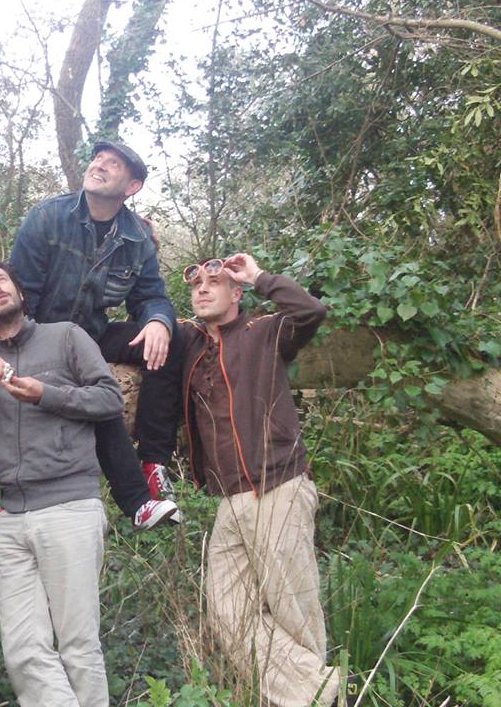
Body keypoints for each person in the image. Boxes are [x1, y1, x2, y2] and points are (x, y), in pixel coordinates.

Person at [0, 141, 181, 529]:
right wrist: (50, 356)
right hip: (40, 331)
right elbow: (23, 296)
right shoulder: (47, 217)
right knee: (83, 385)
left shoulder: (138, 238)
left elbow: (152, 295)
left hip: (92, 333)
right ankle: (135, 502)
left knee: (172, 337)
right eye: (99, 159)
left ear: (133, 186)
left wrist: (157, 320)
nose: (100, 166)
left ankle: (154, 464)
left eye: (114, 165)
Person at [0, 259, 117, 706]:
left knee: (78, 645)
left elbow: (109, 398)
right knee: (23, 652)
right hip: (11, 517)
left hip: (70, 506)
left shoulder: (66, 336)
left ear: (18, 292)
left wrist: (46, 393)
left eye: (2, 280)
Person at [177, 253, 342, 707]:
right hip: (230, 499)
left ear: (236, 293)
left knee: (295, 612)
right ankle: (321, 693)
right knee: (227, 613)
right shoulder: (192, 345)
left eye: (216, 281)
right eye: (197, 286)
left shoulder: (266, 332)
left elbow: (311, 312)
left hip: (279, 486)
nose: (204, 289)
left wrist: (258, 276)